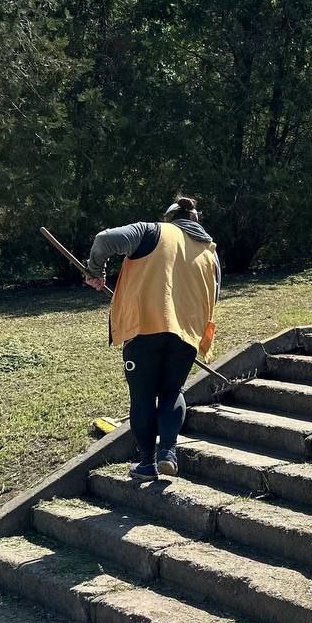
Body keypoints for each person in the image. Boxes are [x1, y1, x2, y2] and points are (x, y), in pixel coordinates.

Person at [85, 196, 220, 480]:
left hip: (144, 327)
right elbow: (214, 294)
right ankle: (168, 453)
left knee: (143, 396)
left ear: (169, 218)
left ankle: (147, 464)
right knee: (173, 391)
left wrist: (96, 271)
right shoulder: (210, 251)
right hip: (187, 332)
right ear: (195, 221)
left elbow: (103, 240)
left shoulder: (150, 231)